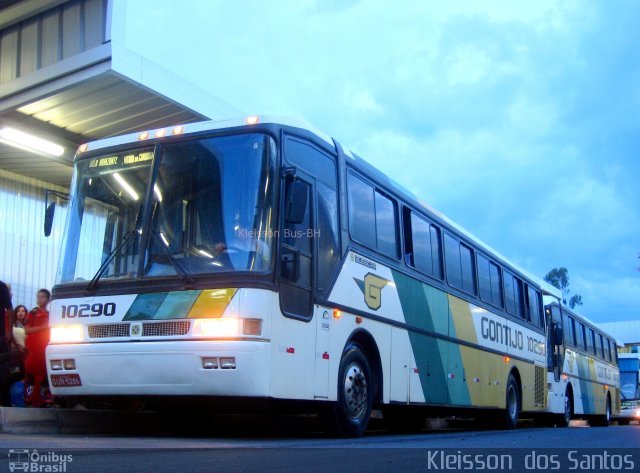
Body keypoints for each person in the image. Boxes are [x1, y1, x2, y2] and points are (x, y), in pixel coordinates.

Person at [23, 289, 51, 407]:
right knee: (34, 371)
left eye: (43, 297)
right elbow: (27, 330)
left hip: (46, 345)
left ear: (48, 299)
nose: (40, 299)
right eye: (38, 297)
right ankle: (32, 396)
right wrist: (43, 328)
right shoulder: (33, 313)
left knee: (44, 371)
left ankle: (41, 396)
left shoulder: (52, 313)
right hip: (34, 346)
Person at [0, 280, 14, 406]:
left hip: (0, 336)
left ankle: (6, 403)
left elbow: (9, 309)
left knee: (3, 372)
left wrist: (9, 331)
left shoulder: (1, 286)